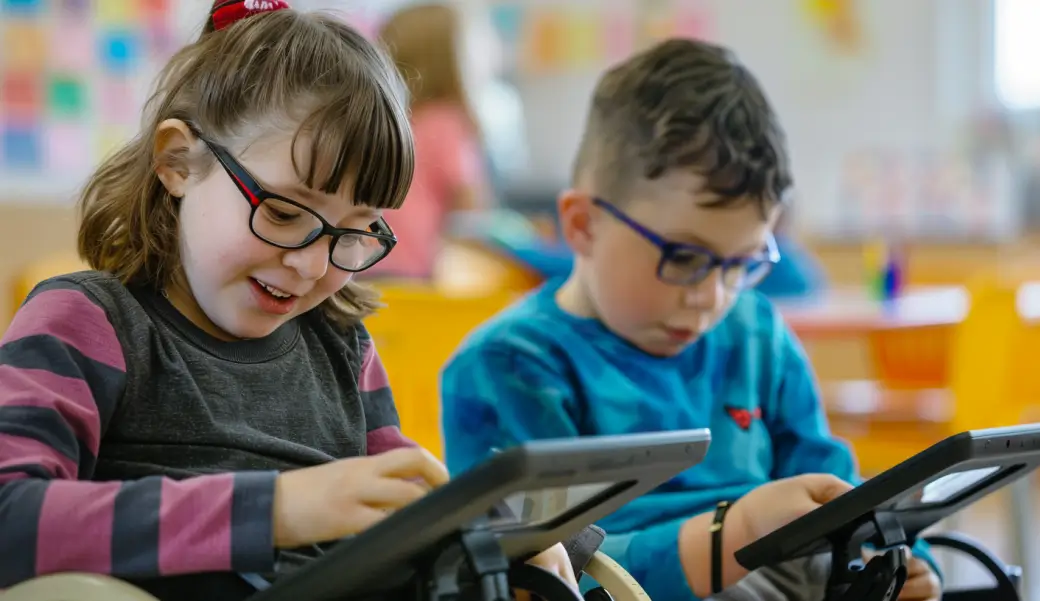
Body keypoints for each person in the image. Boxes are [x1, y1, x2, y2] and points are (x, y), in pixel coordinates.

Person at [0, 2, 573, 600]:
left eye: (354, 231)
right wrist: (271, 511)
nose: (313, 264)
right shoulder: (87, 323)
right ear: (177, 161)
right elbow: (10, 517)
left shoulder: (342, 346)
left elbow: (409, 503)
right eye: (281, 212)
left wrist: (497, 527)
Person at [440, 40, 942, 601]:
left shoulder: (756, 334)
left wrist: (896, 558)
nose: (711, 296)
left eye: (742, 264)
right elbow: (539, 574)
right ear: (582, 225)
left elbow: (833, 483)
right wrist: (734, 536)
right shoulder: (510, 366)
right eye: (684, 257)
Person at [372, 2, 492, 280]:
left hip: (372, 259)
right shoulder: (446, 122)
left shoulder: (397, 123)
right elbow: (468, 205)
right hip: (418, 269)